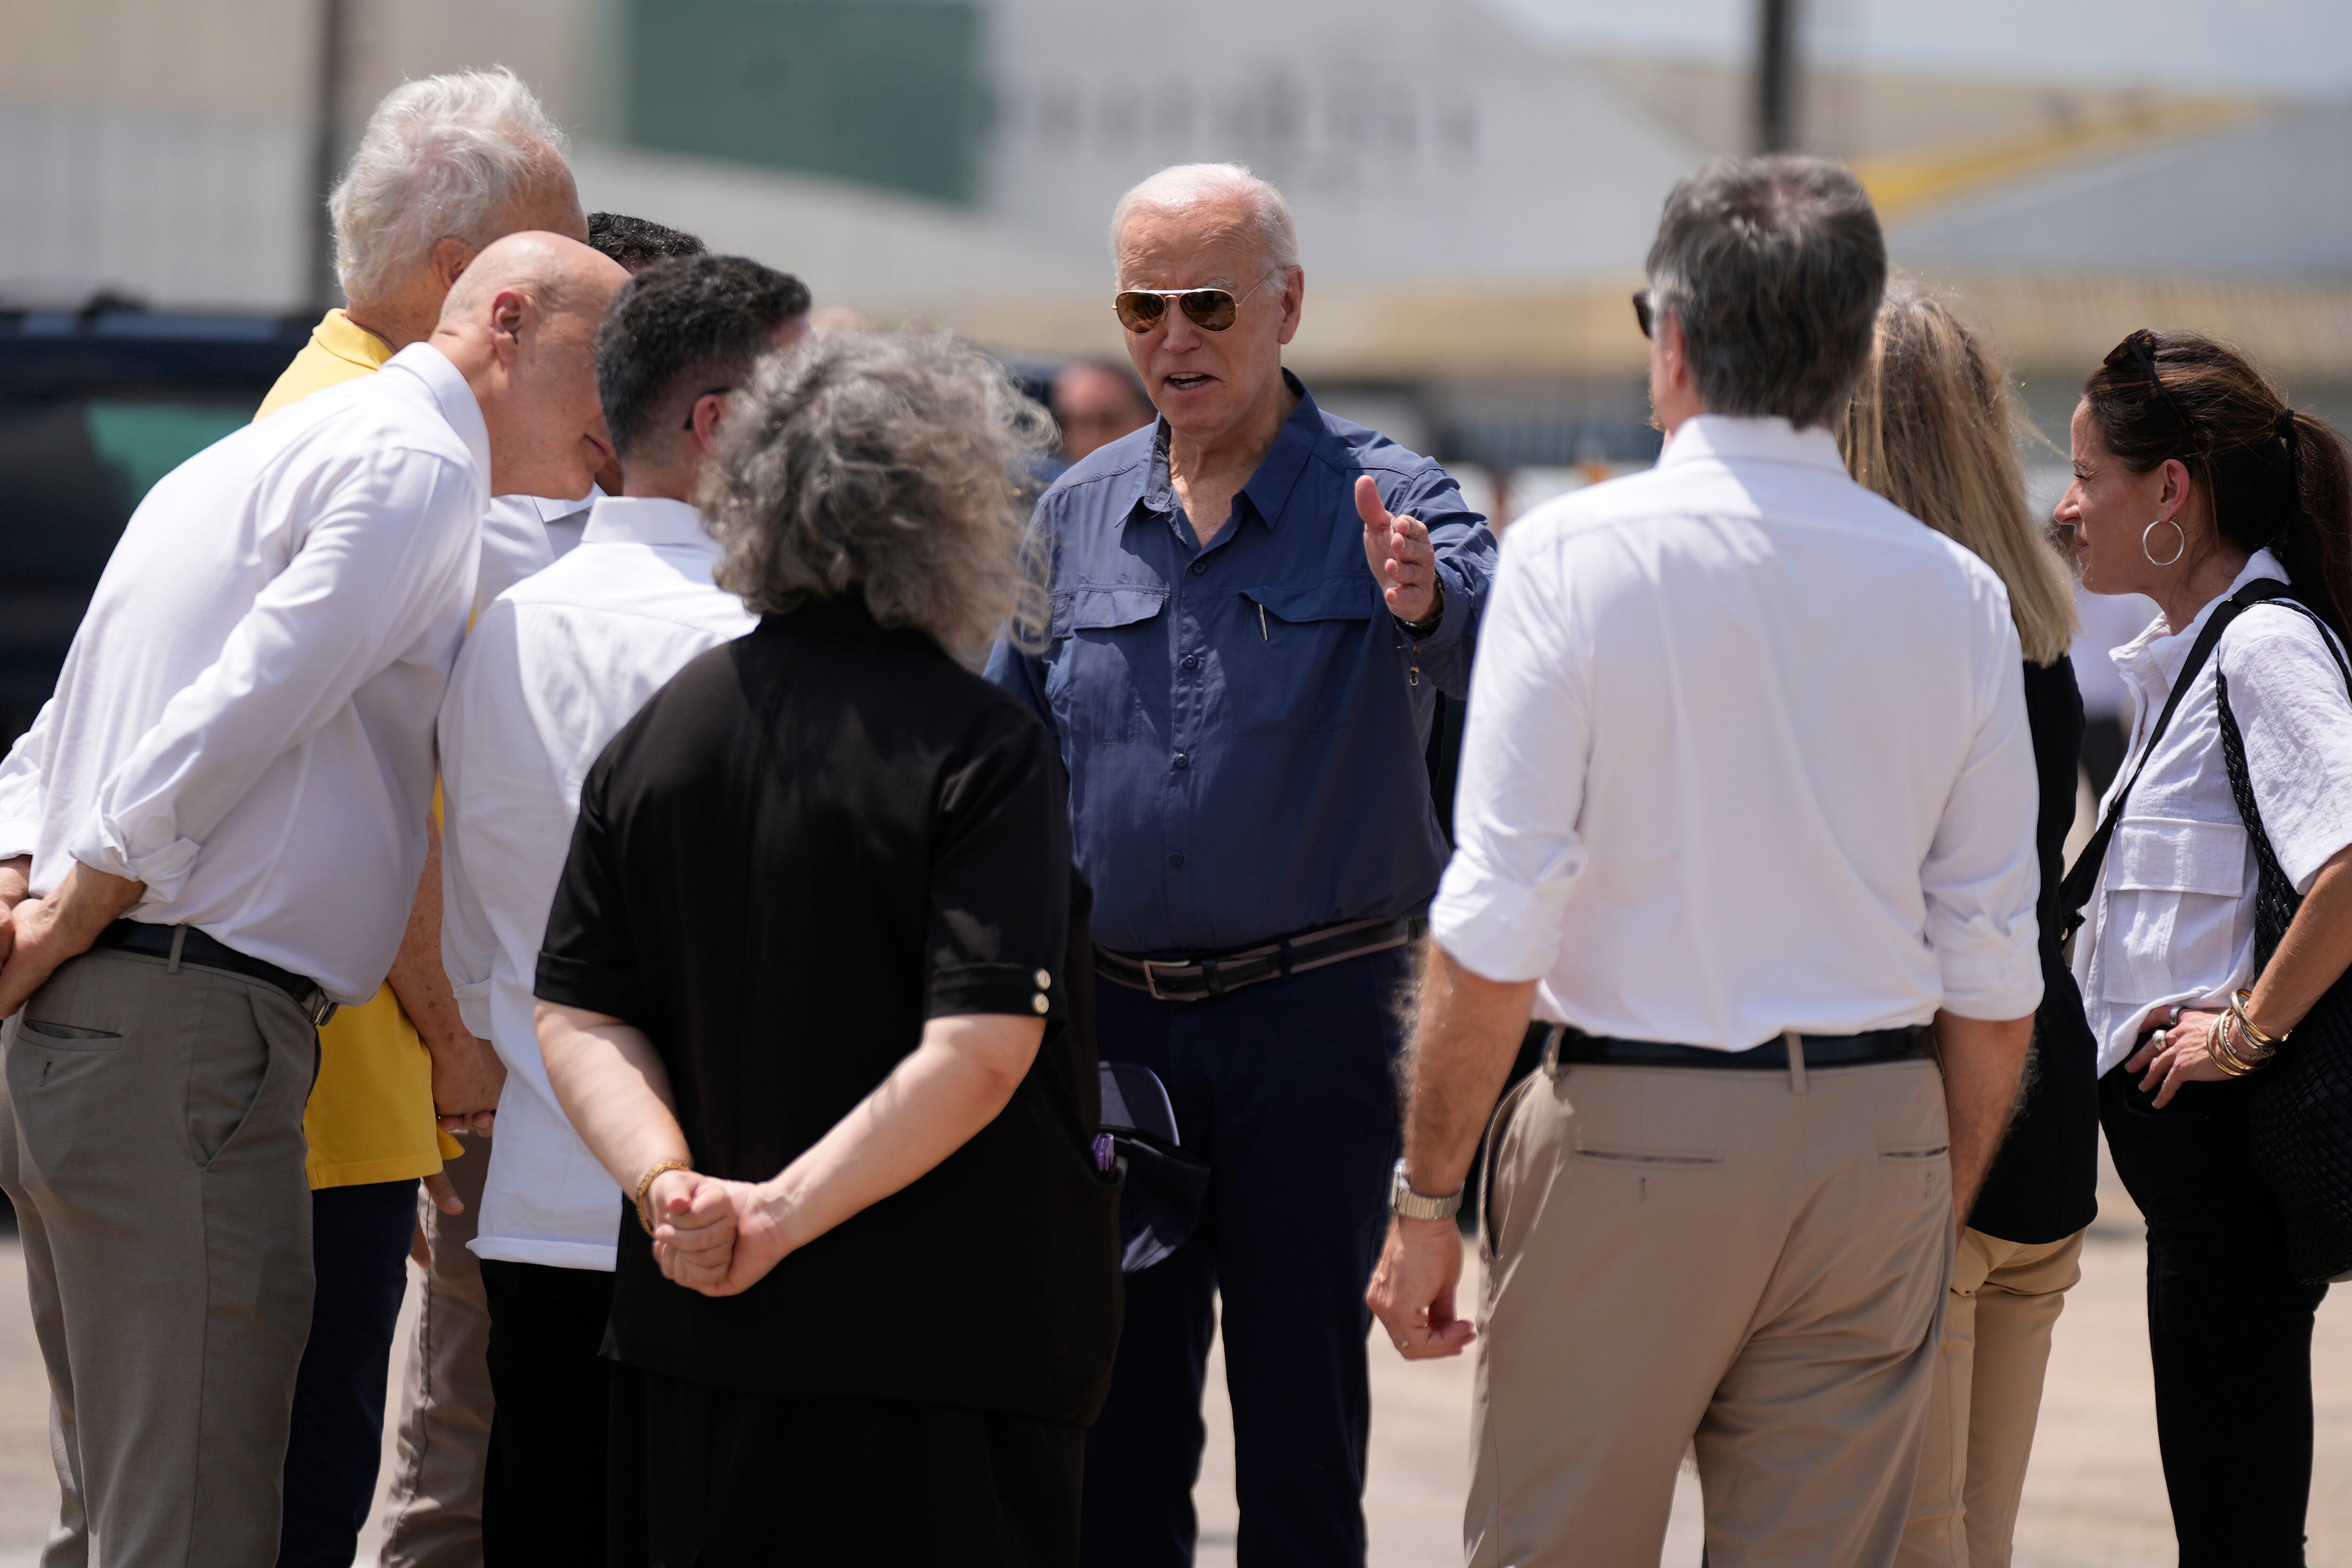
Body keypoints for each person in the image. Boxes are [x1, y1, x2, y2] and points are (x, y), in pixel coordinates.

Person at [1367, 156, 2043, 1568]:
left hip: (1631, 1128)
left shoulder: (1569, 557)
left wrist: (1427, 1198)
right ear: (1854, 343)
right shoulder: (1960, 594)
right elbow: (1990, 970)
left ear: (1668, 338)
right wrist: (1928, 1195)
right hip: (1871, 1133)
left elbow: (1493, 926)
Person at [0, 232, 626, 1568]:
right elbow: (242, 705)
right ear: (505, 323)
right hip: (179, 1018)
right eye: (604, 366)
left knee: (119, 1512)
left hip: (122, 1018)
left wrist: (33, 881)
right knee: (195, 1522)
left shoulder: (266, 451)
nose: (613, 413)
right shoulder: (416, 468)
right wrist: (73, 900)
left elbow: (59, 726)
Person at [532, 330, 1120, 1565]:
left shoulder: (664, 735)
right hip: (941, 1352)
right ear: (957, 508)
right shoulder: (981, 748)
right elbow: (979, 1049)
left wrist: (672, 1189)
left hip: (694, 1343)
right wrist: (779, 1215)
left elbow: (578, 1008)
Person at [987, 161, 1496, 1567]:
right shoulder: (1072, 513)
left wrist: (1423, 598)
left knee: (1296, 1436)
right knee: (1114, 1432)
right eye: (1142, 306)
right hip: (1118, 1028)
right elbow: (1006, 756)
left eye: (1206, 302)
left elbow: (1500, 635)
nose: (1173, 339)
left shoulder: (1381, 497)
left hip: (1313, 1032)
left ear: (1286, 306)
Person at [248, 68, 591, 1568]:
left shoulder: (350, 412)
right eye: (571, 282)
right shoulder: (382, 452)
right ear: (476, 286)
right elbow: (354, 771)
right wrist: (454, 1033)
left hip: (347, 1074)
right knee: (295, 1496)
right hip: (329, 1072)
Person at [438, 253, 806, 1562]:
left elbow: (476, 927)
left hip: (544, 1185)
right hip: (742, 1199)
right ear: (717, 423)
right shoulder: (761, 637)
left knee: (546, 1520)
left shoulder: (507, 624)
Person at [376, 205, 709, 1568]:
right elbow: (407, 806)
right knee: (465, 1453)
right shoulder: (482, 530)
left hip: (625, 1102)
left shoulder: (625, 543)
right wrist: (457, 1052)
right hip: (502, 1077)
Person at [2057, 328, 2352, 1563]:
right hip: (2196, 1178)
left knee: (2236, 1535)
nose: (2067, 507)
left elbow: (2348, 862)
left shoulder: (2263, 646)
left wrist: (2245, 1028)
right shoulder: (2208, 647)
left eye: (2089, 475)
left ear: (2171, 489)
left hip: (2227, 1159)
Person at [1835, 285, 2098, 1568]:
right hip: (2050, 1111)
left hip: (1927, 1113)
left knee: (1906, 1540)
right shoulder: (2040, 627)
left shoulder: (1882, 633)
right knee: (1975, 1542)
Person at [1050, 359, 1154, 466]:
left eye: (1108, 421)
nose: (1093, 439)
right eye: (1079, 422)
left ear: (1145, 420)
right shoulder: (1048, 479)